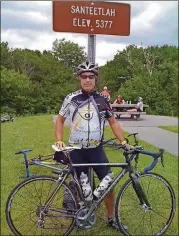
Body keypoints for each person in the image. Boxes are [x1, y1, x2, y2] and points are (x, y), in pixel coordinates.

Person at [55, 61, 133, 229]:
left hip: (96, 150)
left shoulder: (103, 100)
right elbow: (59, 120)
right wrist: (59, 140)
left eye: (91, 77)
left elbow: (113, 122)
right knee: (80, 188)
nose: (87, 80)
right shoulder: (71, 98)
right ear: (79, 79)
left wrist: (123, 141)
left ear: (96, 79)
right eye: (84, 77)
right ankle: (79, 216)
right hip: (76, 150)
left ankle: (111, 219)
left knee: (109, 185)